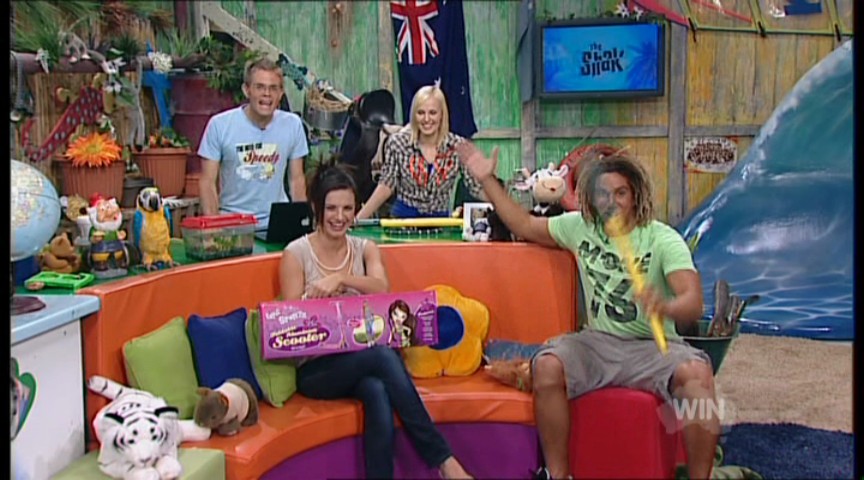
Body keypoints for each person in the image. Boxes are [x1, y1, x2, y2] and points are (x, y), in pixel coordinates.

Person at [455, 141, 729, 480]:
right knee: (547, 365)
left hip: (653, 348)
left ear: (635, 195)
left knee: (697, 375)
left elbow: (693, 302)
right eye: (603, 194)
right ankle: (558, 475)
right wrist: (487, 180)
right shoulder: (579, 227)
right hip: (597, 344)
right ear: (591, 198)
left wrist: (666, 305)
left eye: (620, 193)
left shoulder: (662, 238)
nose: (612, 202)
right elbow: (523, 224)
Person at [279, 161, 472, 479]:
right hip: (316, 369)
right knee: (382, 357)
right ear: (317, 208)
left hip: (360, 361)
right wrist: (316, 301)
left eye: (347, 208)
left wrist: (343, 279)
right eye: (331, 208)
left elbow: (382, 288)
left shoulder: (364, 248)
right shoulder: (296, 253)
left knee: (377, 390)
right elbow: (290, 325)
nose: (339, 217)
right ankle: (445, 462)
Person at [198, 58, 308, 230]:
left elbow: (296, 180)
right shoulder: (220, 125)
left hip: (277, 222)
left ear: (281, 93)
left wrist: (302, 225)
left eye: (273, 88)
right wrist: (215, 229)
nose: (267, 94)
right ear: (246, 90)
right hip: (233, 223)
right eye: (260, 87)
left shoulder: (293, 125)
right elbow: (207, 182)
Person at [355, 84, 484, 219]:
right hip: (403, 222)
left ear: (442, 114)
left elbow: (475, 187)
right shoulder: (398, 143)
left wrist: (499, 203)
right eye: (421, 113)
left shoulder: (457, 146)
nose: (426, 119)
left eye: (432, 113)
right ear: (414, 115)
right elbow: (386, 185)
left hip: (439, 223)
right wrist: (358, 220)